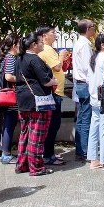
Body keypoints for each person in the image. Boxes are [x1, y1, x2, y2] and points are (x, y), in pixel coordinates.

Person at [14, 31, 57, 176]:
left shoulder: (20, 58)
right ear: (33, 45)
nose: (42, 44)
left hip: (23, 99)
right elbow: (45, 81)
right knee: (37, 135)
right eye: (40, 42)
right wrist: (54, 81)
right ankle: (36, 167)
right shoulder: (35, 59)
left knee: (25, 133)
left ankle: (22, 164)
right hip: (37, 100)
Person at [38, 27, 69, 166]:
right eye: (53, 33)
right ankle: (48, 155)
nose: (56, 35)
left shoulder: (49, 49)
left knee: (54, 125)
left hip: (56, 92)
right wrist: (61, 55)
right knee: (52, 125)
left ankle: (49, 153)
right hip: (53, 92)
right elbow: (57, 67)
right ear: (44, 35)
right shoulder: (47, 49)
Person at [86, 33, 104, 170]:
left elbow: (88, 79)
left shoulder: (94, 57)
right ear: (102, 45)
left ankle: (93, 159)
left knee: (95, 128)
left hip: (94, 96)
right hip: (103, 97)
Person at [72, 20, 95, 161]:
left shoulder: (79, 42)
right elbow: (88, 67)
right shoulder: (85, 44)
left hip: (80, 83)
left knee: (81, 118)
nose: (94, 29)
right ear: (87, 29)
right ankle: (84, 150)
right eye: (93, 27)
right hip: (85, 83)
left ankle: (80, 149)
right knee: (86, 118)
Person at [0, 34, 20, 165]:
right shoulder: (11, 58)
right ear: (14, 45)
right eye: (18, 44)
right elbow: (8, 76)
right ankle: (6, 154)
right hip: (10, 96)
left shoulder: (7, 57)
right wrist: (22, 79)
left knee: (8, 123)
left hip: (8, 96)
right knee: (9, 124)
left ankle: (6, 152)